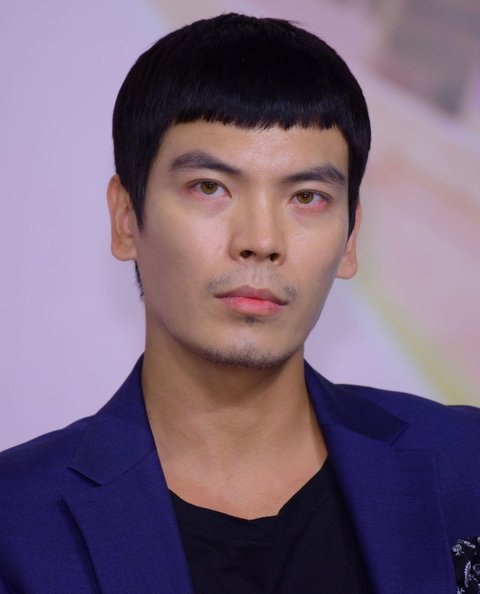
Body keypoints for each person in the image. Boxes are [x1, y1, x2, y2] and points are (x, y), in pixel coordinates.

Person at [0, 13, 479, 594]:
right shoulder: (16, 522)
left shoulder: (465, 466)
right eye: (210, 187)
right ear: (126, 218)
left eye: (307, 197)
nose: (261, 240)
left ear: (351, 237)